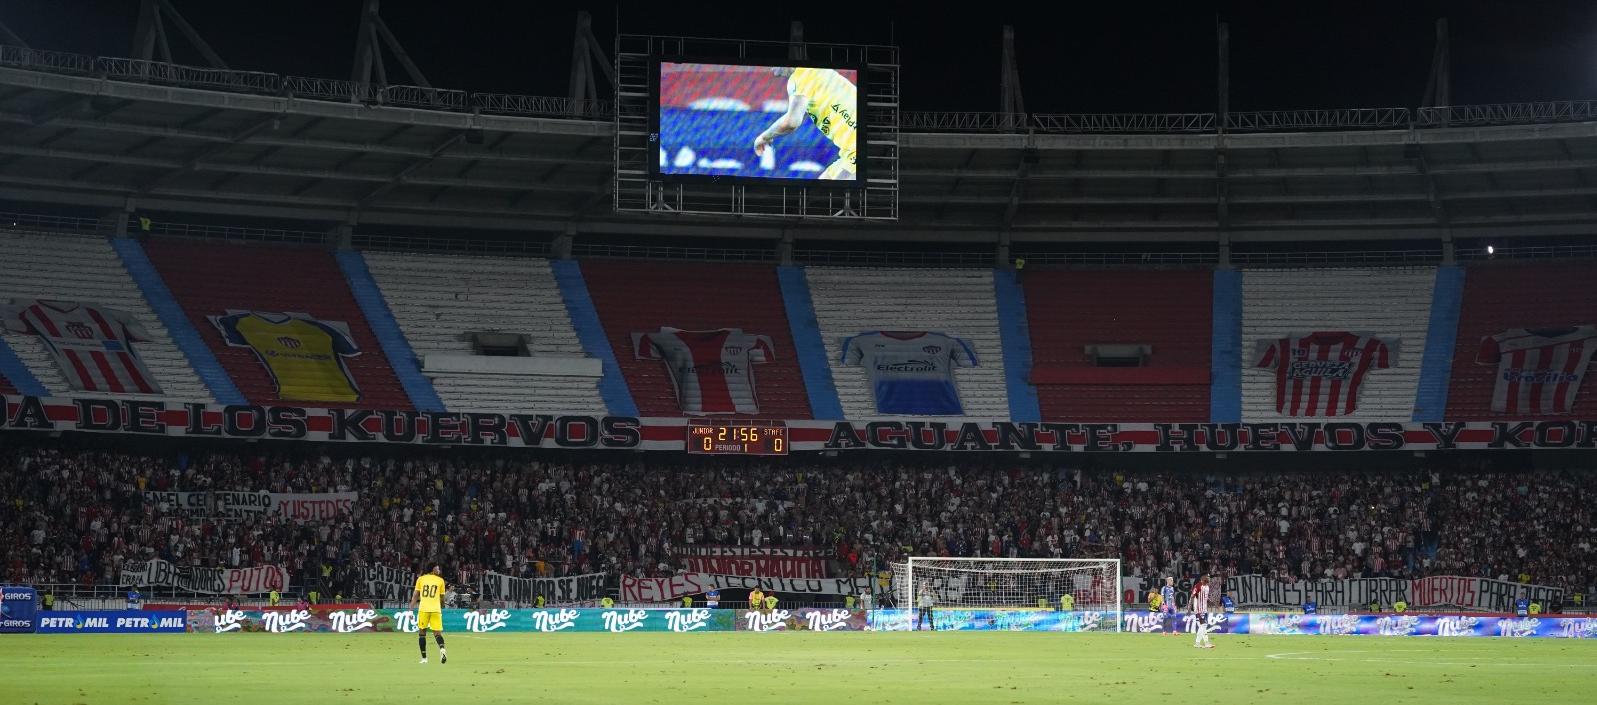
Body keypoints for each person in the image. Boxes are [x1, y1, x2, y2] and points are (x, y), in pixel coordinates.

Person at [752, 67, 858, 181]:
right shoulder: (816, 72)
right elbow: (801, 114)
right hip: (850, 154)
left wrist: (764, 137)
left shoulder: (799, 79)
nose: (770, 66)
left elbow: (792, 121)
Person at [411, 564, 447, 665]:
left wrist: (410, 610)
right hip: (436, 610)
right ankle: (442, 649)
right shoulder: (440, 580)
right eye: (438, 568)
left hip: (424, 609)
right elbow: (442, 598)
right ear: (433, 569)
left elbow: (415, 597)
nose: (439, 570)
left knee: (422, 633)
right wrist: (442, 605)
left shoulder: (421, 579)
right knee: (437, 634)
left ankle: (424, 658)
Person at [1191, 575, 1214, 649]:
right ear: (1203, 579)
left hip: (1204, 609)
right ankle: (1205, 643)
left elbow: (1205, 597)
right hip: (1199, 609)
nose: (1209, 579)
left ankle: (1198, 643)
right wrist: (1190, 608)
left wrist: (1210, 601)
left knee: (1203, 626)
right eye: (1208, 578)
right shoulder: (1198, 586)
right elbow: (1192, 596)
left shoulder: (1207, 587)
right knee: (1203, 625)